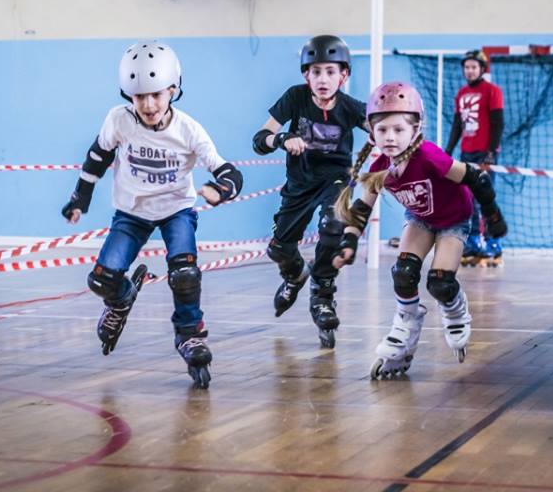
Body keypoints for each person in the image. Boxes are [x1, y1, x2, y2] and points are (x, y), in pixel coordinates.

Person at [61, 40, 243, 389]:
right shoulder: (119, 120)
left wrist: (220, 191)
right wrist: (79, 198)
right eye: (139, 96)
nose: (147, 104)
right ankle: (121, 299)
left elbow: (228, 172)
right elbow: (96, 157)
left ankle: (189, 334)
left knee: (185, 273)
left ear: (173, 90)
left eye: (156, 94)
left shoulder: (188, 129)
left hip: (177, 211)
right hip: (131, 213)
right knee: (101, 280)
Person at [332, 81, 507, 378]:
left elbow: (475, 178)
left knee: (439, 282)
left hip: (454, 218)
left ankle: (454, 310)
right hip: (421, 219)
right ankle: (406, 327)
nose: (390, 137)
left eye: (398, 130)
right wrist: (348, 242)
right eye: (383, 130)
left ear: (414, 130)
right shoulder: (379, 166)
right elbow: (362, 209)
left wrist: (492, 215)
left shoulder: (428, 156)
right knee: (404, 274)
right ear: (371, 132)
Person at [251, 35, 367, 348]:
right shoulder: (295, 98)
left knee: (332, 225)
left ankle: (323, 295)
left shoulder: (352, 108)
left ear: (344, 75)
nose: (323, 79)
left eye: (331, 72)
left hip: (336, 181)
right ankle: (295, 275)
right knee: (279, 248)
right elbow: (260, 138)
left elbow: (381, 127)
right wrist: (282, 139)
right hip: (299, 184)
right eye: (316, 72)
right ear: (306, 75)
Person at [444, 49, 507, 267]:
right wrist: (448, 150)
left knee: (486, 198)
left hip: (484, 153)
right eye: (467, 67)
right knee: (467, 199)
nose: (469, 71)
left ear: (481, 69)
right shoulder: (461, 94)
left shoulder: (492, 91)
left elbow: (498, 123)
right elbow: (457, 125)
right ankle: (472, 242)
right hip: (466, 153)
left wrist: (491, 151)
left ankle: (493, 243)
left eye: (474, 67)